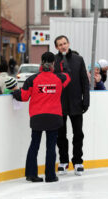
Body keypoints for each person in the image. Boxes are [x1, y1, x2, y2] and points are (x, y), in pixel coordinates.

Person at [12, 52, 71, 183]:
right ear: (53, 64)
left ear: (41, 61)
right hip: (54, 117)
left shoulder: (32, 79)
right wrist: (58, 67)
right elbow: (68, 77)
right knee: (51, 146)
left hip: (37, 117)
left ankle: (31, 174)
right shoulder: (60, 78)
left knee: (34, 145)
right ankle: (50, 176)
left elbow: (24, 96)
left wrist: (15, 93)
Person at [53, 35, 90, 176]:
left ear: (68, 43)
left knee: (78, 134)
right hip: (58, 104)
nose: (63, 46)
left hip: (76, 103)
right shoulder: (54, 61)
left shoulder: (78, 60)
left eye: (65, 43)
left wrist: (86, 100)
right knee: (60, 135)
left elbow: (85, 82)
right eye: (60, 44)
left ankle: (78, 161)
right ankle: (63, 161)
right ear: (56, 47)